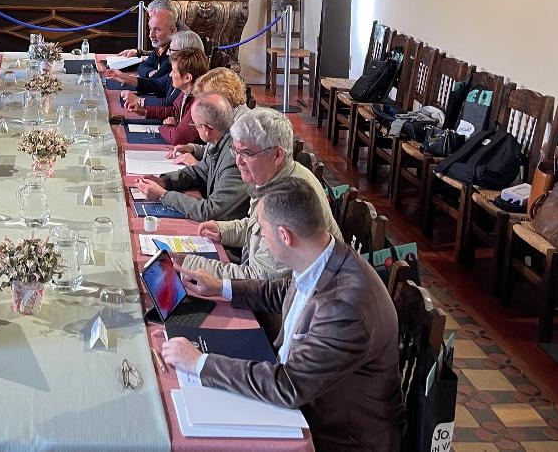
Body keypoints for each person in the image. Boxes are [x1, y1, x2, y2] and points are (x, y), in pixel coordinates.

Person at [162, 178, 402, 452]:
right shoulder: (324, 253)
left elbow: (288, 385)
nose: (260, 238)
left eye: (263, 231)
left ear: (285, 236)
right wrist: (221, 286)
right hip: (304, 394)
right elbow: (285, 291)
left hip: (338, 435)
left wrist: (200, 363)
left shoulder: (344, 308)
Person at [179, 108, 343, 280]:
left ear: (277, 155)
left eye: (246, 153)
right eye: (235, 151)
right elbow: (258, 227)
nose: (238, 161)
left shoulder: (287, 197)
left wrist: (189, 264)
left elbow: (259, 281)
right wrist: (224, 230)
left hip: (281, 299)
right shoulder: (272, 177)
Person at [132, 93, 248, 222]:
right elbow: (200, 171)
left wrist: (163, 195)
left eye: (195, 125)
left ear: (205, 129)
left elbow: (210, 211)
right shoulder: (221, 140)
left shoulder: (235, 157)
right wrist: (165, 181)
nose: (195, 129)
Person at [137, 47, 207, 146]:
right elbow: (175, 111)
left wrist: (165, 126)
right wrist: (145, 111)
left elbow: (176, 138)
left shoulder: (199, 103)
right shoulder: (186, 91)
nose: (170, 75)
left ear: (187, 78)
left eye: (174, 71)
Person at [125, 30, 205, 109]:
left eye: (171, 50)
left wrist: (139, 101)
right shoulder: (178, 69)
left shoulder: (188, 79)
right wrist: (124, 78)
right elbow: (157, 84)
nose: (167, 53)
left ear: (185, 53)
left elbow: (169, 104)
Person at [104, 5, 178, 91]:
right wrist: (150, 72)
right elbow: (143, 67)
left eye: (157, 30)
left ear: (173, 31)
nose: (151, 35)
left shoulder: (175, 50)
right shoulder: (161, 46)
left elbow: (155, 81)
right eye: (150, 29)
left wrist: (127, 78)